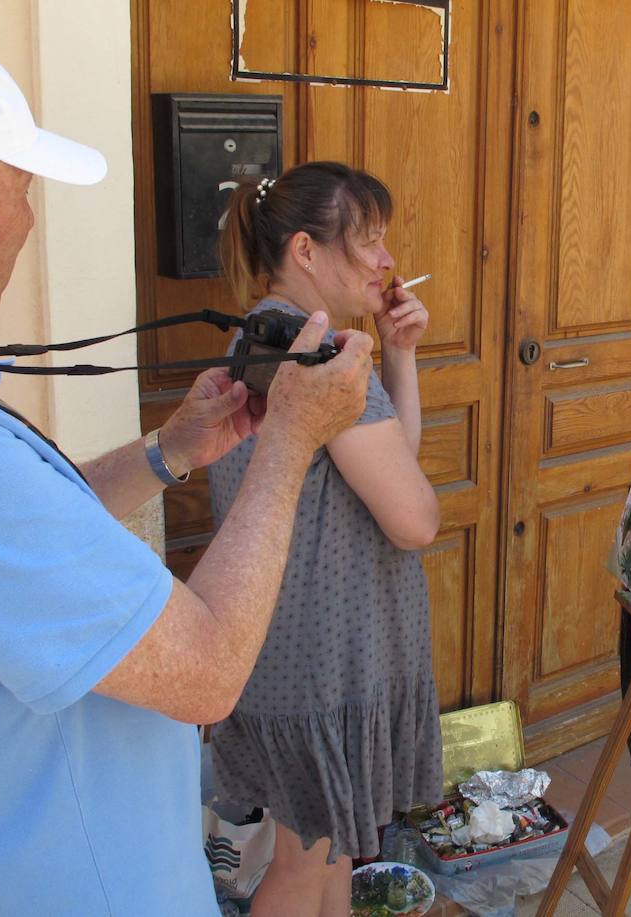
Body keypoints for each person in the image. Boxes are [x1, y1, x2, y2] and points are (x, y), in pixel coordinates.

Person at [0, 13, 372, 915]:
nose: (28, 221)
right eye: (21, 189)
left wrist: (166, 453)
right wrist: (292, 439)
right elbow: (209, 670)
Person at [206, 161, 444, 916]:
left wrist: (398, 354)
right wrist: (379, 365)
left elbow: (385, 469)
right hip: (320, 670)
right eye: (368, 242)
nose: (386, 261)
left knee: (329, 853)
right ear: (306, 250)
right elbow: (414, 518)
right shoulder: (323, 359)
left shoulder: (266, 336)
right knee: (302, 869)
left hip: (284, 654)